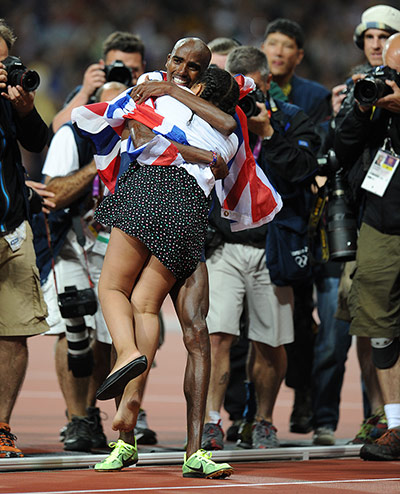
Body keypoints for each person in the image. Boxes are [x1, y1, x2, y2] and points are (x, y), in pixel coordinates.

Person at [201, 45, 320, 451]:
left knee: (270, 341)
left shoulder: (291, 120)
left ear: (267, 82)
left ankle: (262, 421)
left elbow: (305, 172)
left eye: (254, 85)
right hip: (226, 245)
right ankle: (211, 421)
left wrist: (268, 133)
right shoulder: (218, 121)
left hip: (274, 246)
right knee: (217, 336)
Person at [319, 4, 400, 447]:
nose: (377, 49)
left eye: (386, 40)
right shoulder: (361, 88)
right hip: (376, 219)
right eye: (371, 39)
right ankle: (391, 421)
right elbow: (341, 150)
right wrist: (358, 108)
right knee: (376, 323)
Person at [34, 81, 130, 453]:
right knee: (75, 327)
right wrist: (99, 162)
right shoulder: (71, 135)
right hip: (71, 245)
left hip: (116, 247)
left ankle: (91, 413)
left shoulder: (141, 138)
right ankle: (76, 419)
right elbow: (53, 195)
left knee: (107, 339)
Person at [261, 17, 332, 440]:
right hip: (252, 220)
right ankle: (242, 408)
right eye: (272, 43)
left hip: (296, 219)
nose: (279, 51)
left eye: (287, 45)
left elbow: (315, 157)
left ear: (298, 55)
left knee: (301, 318)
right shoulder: (242, 91)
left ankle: (303, 395)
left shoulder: (313, 98)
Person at [0, 18, 50, 458]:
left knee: (14, 333)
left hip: (13, 229)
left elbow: (40, 142)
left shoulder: (8, 98)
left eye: (4, 62)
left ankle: (1, 426)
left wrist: (24, 109)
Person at [51, 31, 146, 136]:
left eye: (133, 69)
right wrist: (84, 93)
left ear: (143, 67)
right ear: (103, 66)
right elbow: (56, 133)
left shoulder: (150, 99)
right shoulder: (89, 94)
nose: (125, 74)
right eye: (117, 68)